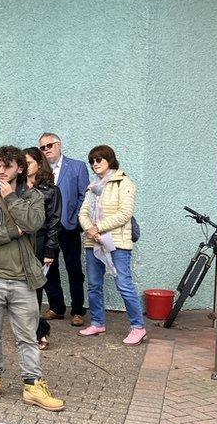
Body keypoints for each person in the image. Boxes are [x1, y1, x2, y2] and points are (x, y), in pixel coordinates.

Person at [0, 146, 64, 412]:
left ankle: (33, 385)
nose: (1, 171)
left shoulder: (33, 196)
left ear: (19, 168)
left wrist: (11, 199)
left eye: (7, 166)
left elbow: (34, 223)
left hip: (23, 279)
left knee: (28, 336)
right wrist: (14, 230)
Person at [77, 145, 146, 346]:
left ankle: (138, 327)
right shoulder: (93, 186)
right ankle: (98, 322)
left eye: (99, 159)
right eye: (92, 161)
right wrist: (91, 230)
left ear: (110, 160)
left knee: (124, 285)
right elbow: (83, 213)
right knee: (94, 284)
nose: (95, 164)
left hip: (117, 243)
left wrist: (97, 227)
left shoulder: (124, 183)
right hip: (93, 242)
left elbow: (125, 213)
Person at [38, 132, 89, 326]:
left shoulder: (77, 166)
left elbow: (84, 196)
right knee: (49, 268)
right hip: (47, 227)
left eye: (49, 146)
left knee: (74, 268)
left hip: (69, 226)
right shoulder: (40, 170)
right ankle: (57, 307)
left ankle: (77, 310)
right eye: (42, 148)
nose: (46, 150)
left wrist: (75, 219)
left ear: (58, 145)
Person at [22, 147, 61, 350]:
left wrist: (50, 251)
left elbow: (54, 222)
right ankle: (29, 330)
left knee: (34, 290)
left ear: (39, 163)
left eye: (28, 162)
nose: (24, 166)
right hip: (17, 243)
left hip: (39, 243)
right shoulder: (16, 187)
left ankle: (39, 330)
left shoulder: (50, 190)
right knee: (19, 290)